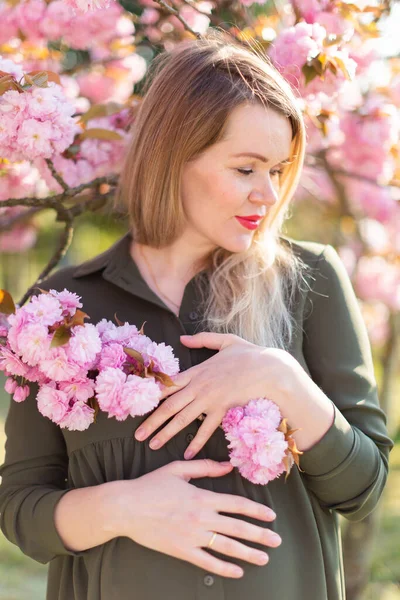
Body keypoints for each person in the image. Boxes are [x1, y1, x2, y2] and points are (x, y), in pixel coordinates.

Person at [0, 29, 393, 600]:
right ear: (174, 157)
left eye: (277, 170)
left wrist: (280, 380)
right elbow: (20, 511)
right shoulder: (60, 313)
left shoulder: (309, 281)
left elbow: (365, 489)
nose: (268, 193)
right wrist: (122, 507)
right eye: (245, 168)